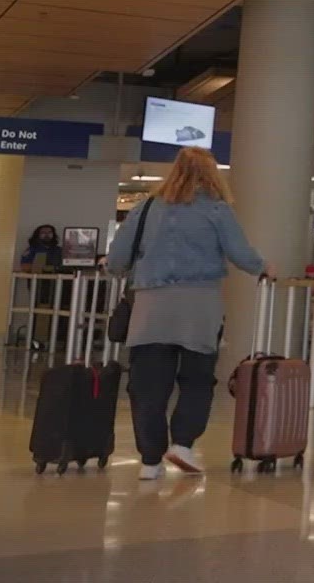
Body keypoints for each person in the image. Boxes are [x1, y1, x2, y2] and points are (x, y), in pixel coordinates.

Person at [104, 147, 270, 481]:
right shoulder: (217, 210)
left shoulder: (146, 208)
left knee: (148, 384)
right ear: (212, 174)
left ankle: (150, 462)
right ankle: (182, 445)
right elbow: (240, 253)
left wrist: (119, 267)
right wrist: (265, 267)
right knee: (197, 380)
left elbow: (117, 258)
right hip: (200, 306)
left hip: (151, 306)